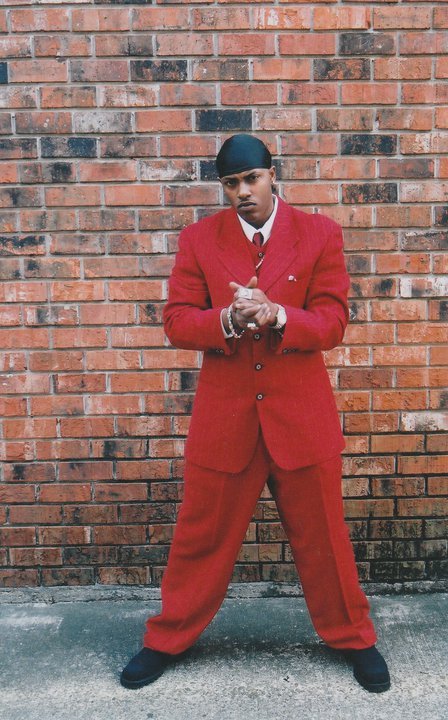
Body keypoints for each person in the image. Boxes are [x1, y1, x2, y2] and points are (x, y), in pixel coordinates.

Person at [120, 134, 391, 693]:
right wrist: (226, 319)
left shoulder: (320, 233)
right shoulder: (199, 239)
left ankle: (355, 638)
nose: (242, 192)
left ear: (272, 175)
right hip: (227, 421)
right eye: (230, 184)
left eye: (251, 179)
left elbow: (333, 322)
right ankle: (166, 638)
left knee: (326, 540)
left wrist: (278, 316)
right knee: (199, 540)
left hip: (301, 419)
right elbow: (176, 321)